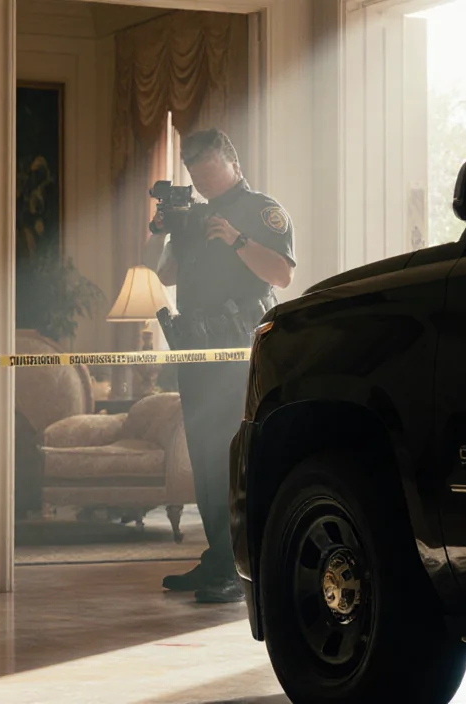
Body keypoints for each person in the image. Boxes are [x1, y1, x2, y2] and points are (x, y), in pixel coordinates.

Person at [144, 128, 295, 603]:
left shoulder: (261, 209)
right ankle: (219, 556)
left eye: (208, 170)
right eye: (194, 173)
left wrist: (236, 239)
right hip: (194, 350)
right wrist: (167, 229)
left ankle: (242, 563)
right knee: (206, 460)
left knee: (236, 457)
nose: (203, 181)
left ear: (231, 161)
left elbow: (283, 274)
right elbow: (163, 275)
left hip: (237, 353)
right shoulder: (191, 215)